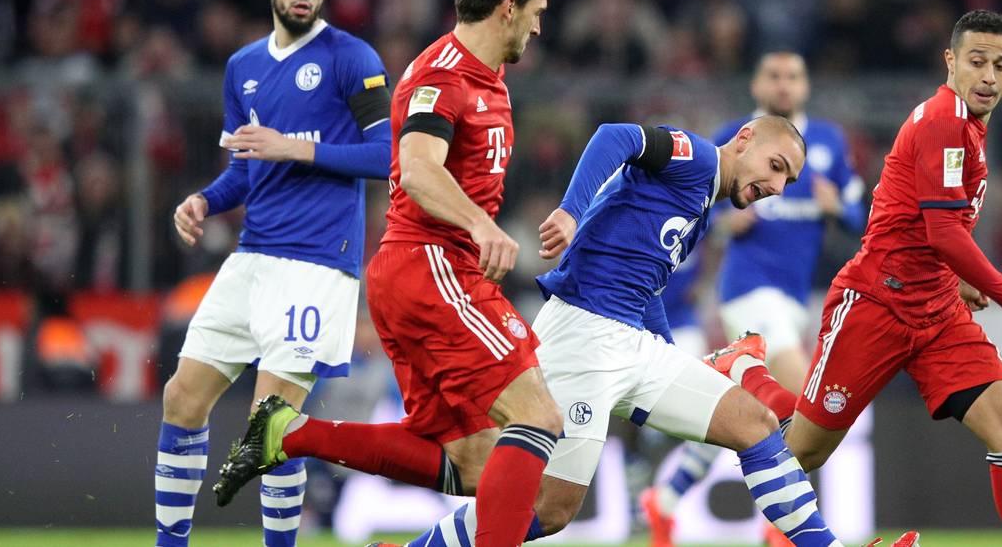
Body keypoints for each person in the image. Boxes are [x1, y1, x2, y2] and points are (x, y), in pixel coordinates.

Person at [392, 117, 919, 547]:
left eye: (788, 182)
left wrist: (675, 358)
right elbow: (614, 136)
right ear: (744, 139)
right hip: (582, 336)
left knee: (755, 422)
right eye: (775, 167)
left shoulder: (703, 207)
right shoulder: (699, 159)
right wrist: (571, 213)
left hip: (631, 341)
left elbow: (646, 293)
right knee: (551, 510)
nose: (776, 188)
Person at [213, 0, 562, 547]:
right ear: (509, 6)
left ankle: (289, 434)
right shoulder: (442, 75)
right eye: (535, 11)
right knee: (536, 418)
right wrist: (481, 224)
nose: (538, 27)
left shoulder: (487, 76)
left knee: (477, 465)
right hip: (434, 269)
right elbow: (419, 166)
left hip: (420, 275)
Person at [705, 10, 1002, 547]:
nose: (989, 76)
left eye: (1001, 65)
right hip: (876, 304)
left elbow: (905, 218)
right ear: (951, 62)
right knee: (804, 449)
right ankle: (747, 373)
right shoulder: (942, 121)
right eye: (977, 61)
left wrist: (953, 278)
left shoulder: (966, 128)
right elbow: (942, 231)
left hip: (936, 311)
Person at [159, 0, 393, 547]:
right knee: (182, 397)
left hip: (317, 262)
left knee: (273, 424)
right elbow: (245, 166)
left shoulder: (352, 59)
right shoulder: (244, 67)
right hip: (253, 257)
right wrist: (204, 201)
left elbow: (388, 155)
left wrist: (295, 147)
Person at [642, 52, 866, 547]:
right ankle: (783, 527)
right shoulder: (735, 135)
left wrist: (840, 209)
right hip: (746, 287)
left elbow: (862, 212)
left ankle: (667, 498)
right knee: (806, 404)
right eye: (774, 76)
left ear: (805, 87)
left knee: (744, 412)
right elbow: (695, 209)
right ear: (758, 83)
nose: (783, 85)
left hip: (793, 296)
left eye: (793, 77)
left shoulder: (827, 142)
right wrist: (724, 223)